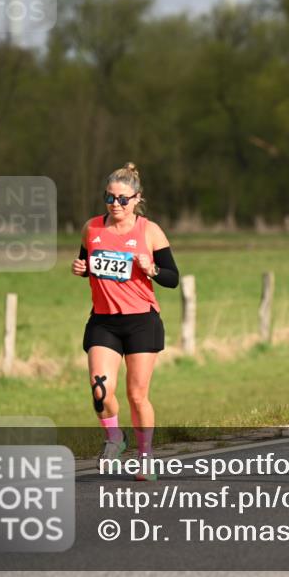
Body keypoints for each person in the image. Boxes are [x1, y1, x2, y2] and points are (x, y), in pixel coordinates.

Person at [71, 163, 180, 480]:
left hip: (141, 322)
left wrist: (152, 270)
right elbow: (91, 263)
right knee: (100, 391)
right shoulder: (91, 229)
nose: (115, 204)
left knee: (137, 395)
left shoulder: (150, 231)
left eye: (122, 199)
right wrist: (82, 269)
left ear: (136, 199)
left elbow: (172, 278)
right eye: (109, 198)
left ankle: (146, 457)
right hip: (104, 322)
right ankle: (114, 439)